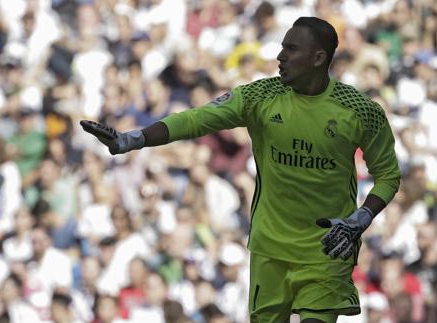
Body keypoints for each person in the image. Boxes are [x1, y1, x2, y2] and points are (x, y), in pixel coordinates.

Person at [80, 16, 401, 323]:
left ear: (319, 58)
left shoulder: (359, 110)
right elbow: (195, 119)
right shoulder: (260, 96)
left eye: (291, 49)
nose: (280, 56)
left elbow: (388, 175)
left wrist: (361, 218)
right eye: (282, 47)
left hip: (327, 247)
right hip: (269, 248)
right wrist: (133, 139)